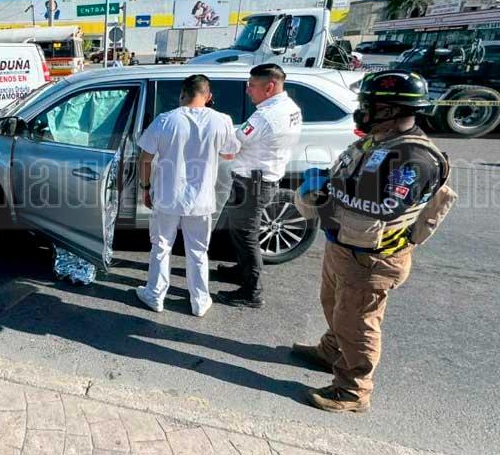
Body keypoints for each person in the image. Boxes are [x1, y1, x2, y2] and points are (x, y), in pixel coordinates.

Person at [292, 70, 456, 413]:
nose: (362, 111)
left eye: (369, 105)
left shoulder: (414, 158)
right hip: (346, 244)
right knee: (336, 305)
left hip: (372, 258)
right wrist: (328, 179)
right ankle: (332, 351)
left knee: (358, 323)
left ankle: (353, 390)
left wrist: (330, 190)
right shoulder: (378, 140)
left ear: (391, 110)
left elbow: (385, 206)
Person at [135, 75, 240, 317]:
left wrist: (145, 187)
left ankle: (155, 295)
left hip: (167, 195)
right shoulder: (222, 121)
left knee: (161, 246)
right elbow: (229, 154)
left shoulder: (165, 120)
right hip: (201, 199)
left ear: (182, 94)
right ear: (209, 96)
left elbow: (145, 159)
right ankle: (200, 301)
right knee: (198, 250)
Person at [214, 64, 302, 308]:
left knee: (247, 235)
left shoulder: (264, 117)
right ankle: (242, 271)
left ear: (269, 87)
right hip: (263, 178)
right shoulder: (291, 108)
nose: (247, 90)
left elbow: (232, 147)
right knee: (239, 230)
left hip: (252, 183)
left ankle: (251, 291)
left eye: (252, 85)